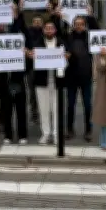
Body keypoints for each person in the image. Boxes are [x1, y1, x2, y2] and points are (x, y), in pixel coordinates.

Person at [0, 3, 32, 144]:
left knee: (21, 108)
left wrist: (17, 14)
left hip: (18, 78)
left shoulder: (17, 39)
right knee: (7, 109)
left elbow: (20, 30)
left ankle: (22, 135)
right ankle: (8, 135)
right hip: (4, 79)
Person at [56, 7, 99, 141]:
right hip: (71, 77)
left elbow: (98, 31)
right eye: (76, 24)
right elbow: (58, 33)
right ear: (73, 25)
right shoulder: (67, 37)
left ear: (85, 25)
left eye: (81, 24)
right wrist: (59, 16)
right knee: (70, 105)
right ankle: (69, 129)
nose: (79, 26)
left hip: (86, 77)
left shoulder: (90, 38)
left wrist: (91, 16)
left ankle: (88, 130)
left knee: (88, 105)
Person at [27, 17, 67, 145]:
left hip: (57, 81)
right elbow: (32, 61)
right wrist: (30, 56)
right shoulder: (37, 44)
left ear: (55, 30)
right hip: (41, 81)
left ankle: (56, 134)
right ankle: (45, 133)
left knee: (56, 109)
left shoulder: (61, 43)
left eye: (51, 28)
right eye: (47, 28)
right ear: (43, 30)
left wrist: (66, 57)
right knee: (43, 109)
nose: (49, 30)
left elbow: (66, 62)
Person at [26, 15, 44, 123]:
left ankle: (43, 112)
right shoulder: (28, 34)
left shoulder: (46, 33)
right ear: (32, 23)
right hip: (31, 67)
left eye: (39, 21)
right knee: (32, 92)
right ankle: (34, 113)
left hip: (43, 67)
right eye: (35, 21)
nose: (37, 23)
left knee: (43, 91)